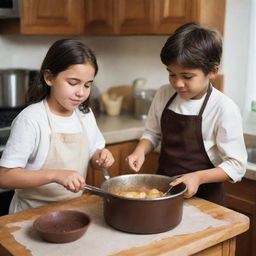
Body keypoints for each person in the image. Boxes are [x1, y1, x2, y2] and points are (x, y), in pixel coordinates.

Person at [126, 22, 247, 205]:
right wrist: (140, 151)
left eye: (187, 76)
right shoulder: (164, 94)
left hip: (206, 201)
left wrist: (197, 178)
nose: (178, 83)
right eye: (172, 74)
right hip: (164, 193)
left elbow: (236, 166)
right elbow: (152, 133)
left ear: (213, 71)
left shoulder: (223, 108)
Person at [0, 39, 114, 213]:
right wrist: (55, 175)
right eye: (73, 83)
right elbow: (5, 176)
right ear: (49, 78)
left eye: (87, 85)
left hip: (72, 210)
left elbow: (93, 154)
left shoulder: (84, 114)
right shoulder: (32, 119)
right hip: (29, 215)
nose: (81, 92)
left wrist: (101, 157)